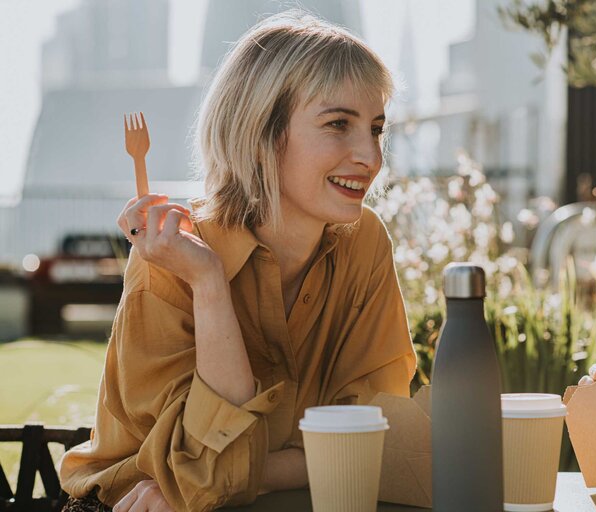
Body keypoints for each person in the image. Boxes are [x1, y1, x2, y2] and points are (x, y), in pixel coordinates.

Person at [58, 10, 417, 512]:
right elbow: (200, 465)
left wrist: (230, 475)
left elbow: (376, 437)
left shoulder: (365, 243)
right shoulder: (170, 257)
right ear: (262, 133)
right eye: (338, 124)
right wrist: (208, 282)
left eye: (376, 129)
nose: (371, 157)